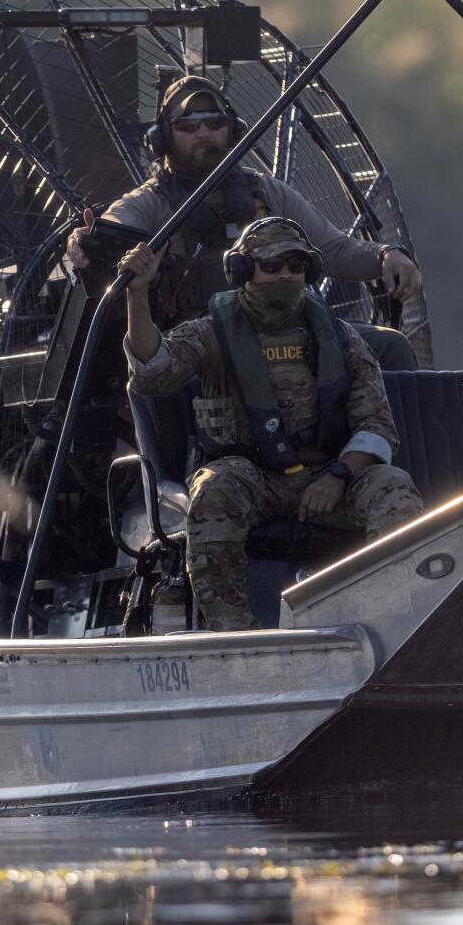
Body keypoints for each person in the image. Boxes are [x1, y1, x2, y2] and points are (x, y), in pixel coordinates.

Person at [119, 217, 425, 630]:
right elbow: (153, 373)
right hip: (249, 477)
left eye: (296, 266)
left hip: (328, 476)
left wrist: (337, 475)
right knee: (213, 493)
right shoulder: (212, 334)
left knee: (394, 488)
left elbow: (377, 425)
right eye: (273, 264)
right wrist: (137, 297)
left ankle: (387, 621)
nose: (285, 274)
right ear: (244, 271)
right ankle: (232, 635)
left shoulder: (341, 338)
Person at [69, 75, 422, 329]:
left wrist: (386, 254)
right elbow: (110, 233)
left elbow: (333, 250)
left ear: (234, 130)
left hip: (284, 334)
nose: (204, 132)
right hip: (198, 347)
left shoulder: (267, 193)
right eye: (188, 126)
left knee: (387, 348)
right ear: (161, 139)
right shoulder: (150, 203)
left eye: (214, 122)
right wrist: (84, 244)